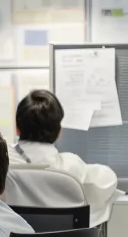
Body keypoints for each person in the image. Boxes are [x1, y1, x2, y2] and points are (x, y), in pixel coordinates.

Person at [10, 89, 120, 227]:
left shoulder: (1, 164)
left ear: (17, 129)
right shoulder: (71, 167)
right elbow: (108, 180)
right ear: (58, 131)